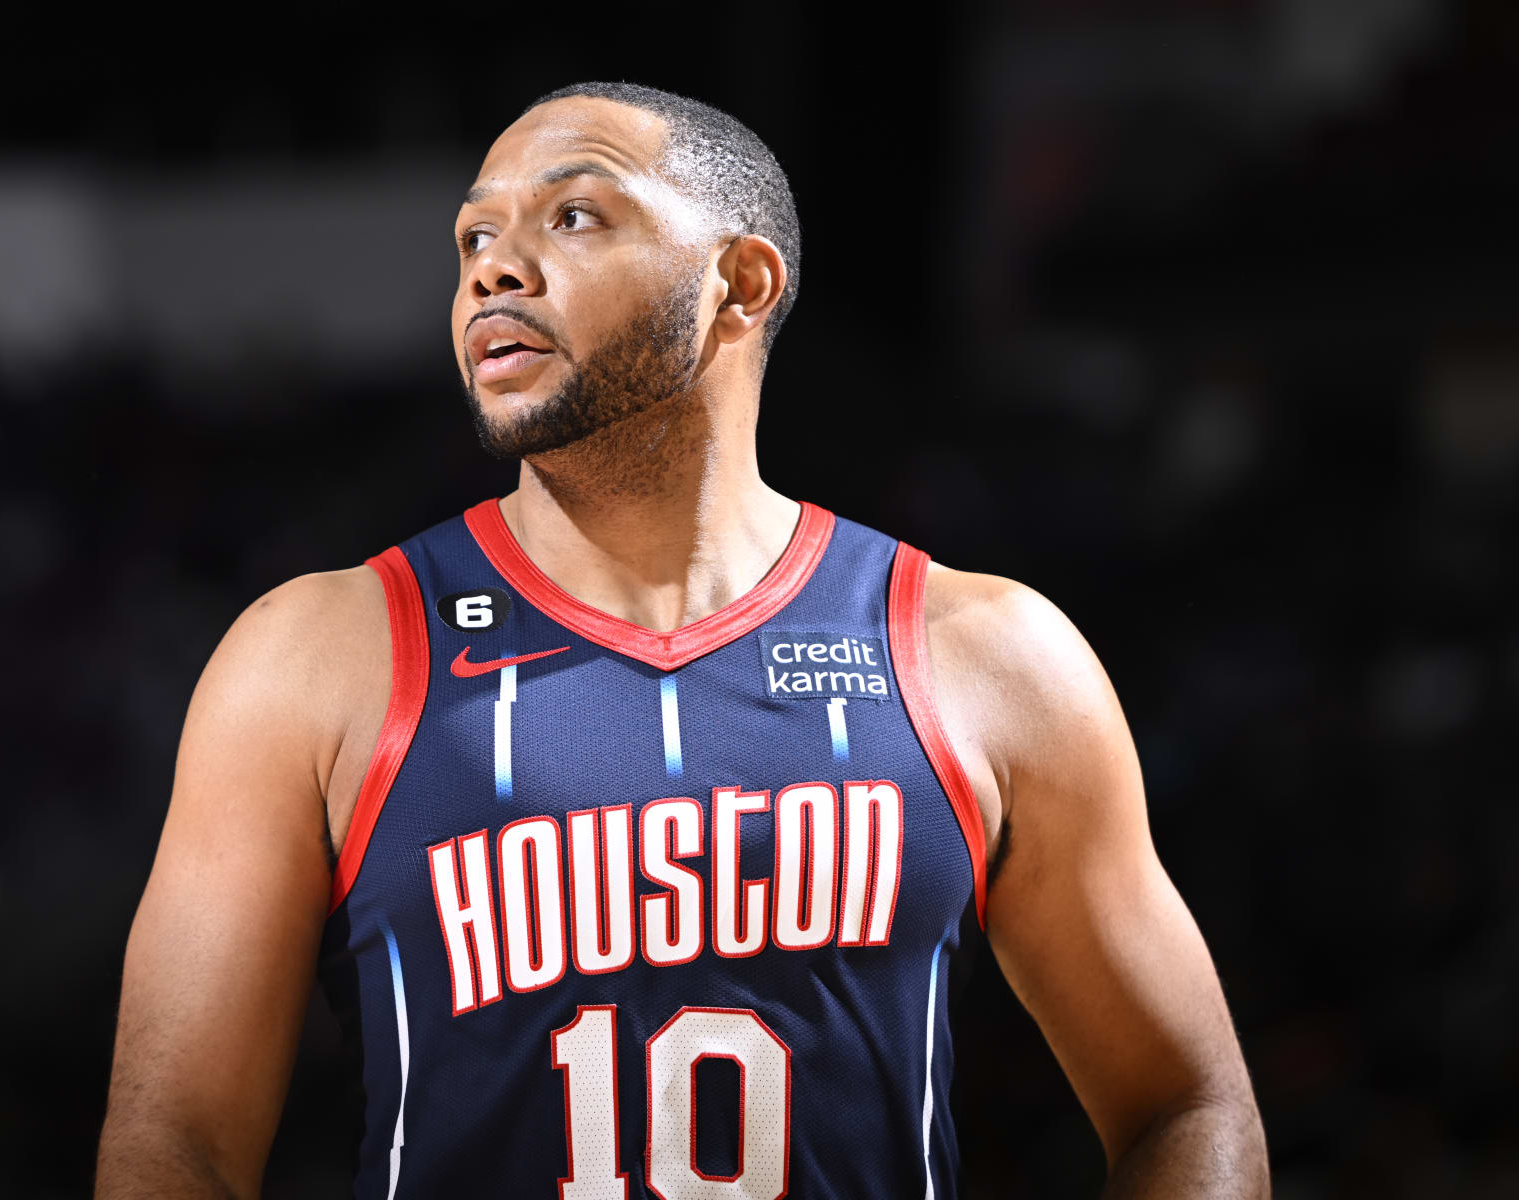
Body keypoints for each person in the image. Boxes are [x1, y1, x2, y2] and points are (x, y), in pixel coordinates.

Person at [94, 82, 1269, 1199]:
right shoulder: (318, 654)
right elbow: (174, 1140)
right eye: (472, 240)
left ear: (739, 284)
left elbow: (1187, 1106)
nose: (495, 267)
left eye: (573, 213)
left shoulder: (985, 653)